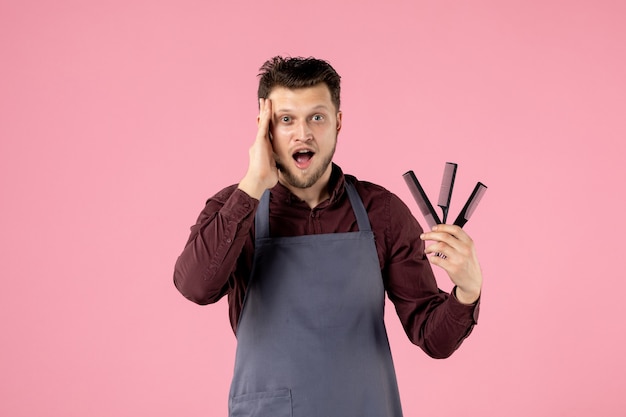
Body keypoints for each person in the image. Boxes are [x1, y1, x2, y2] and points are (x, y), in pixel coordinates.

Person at [174, 56, 483, 417]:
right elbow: (195, 286)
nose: (302, 133)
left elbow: (433, 337)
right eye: (286, 119)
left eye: (316, 117)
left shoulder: (380, 211)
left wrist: (467, 291)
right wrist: (252, 185)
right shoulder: (235, 208)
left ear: (337, 123)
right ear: (264, 127)